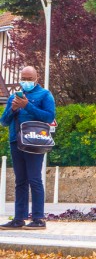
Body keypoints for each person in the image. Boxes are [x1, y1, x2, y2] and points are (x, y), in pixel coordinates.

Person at [0, 66, 56, 229]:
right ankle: (19, 218)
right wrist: (13, 109)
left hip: (35, 142)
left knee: (34, 179)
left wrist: (27, 106)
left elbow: (49, 116)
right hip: (16, 141)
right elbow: (4, 121)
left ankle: (38, 219)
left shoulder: (45, 95)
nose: (26, 82)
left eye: (29, 79)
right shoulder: (13, 98)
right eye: (23, 78)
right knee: (20, 181)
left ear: (36, 79)